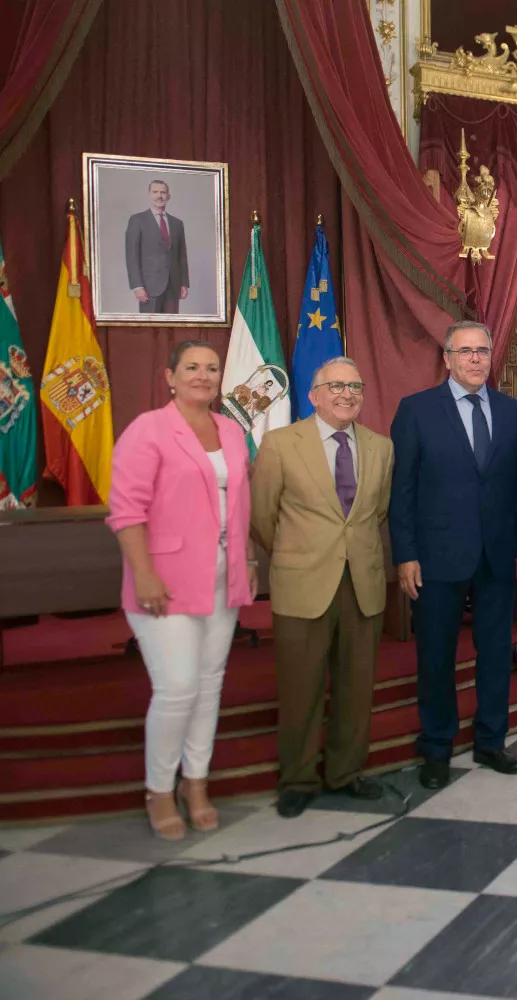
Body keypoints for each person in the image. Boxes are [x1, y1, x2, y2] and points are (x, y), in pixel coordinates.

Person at [107, 341, 254, 839]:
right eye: (192, 367)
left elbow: (240, 506)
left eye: (212, 368)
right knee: (177, 689)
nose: (204, 375)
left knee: (210, 685)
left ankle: (196, 783)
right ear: (169, 376)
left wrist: (247, 560)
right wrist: (144, 573)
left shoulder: (232, 431)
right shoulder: (147, 429)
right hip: (164, 583)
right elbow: (126, 511)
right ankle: (159, 791)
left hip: (222, 579)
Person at [390, 321, 517, 790]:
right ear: (447, 359)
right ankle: (436, 747)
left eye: (482, 351)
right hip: (436, 555)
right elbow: (403, 490)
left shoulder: (514, 412)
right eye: (465, 352)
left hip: (497, 554)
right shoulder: (416, 410)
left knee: (495, 652)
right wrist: (405, 554)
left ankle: (491, 740)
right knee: (436, 655)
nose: (475, 359)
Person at [251, 357, 393, 818]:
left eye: (355, 385)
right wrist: (300, 554)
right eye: (335, 386)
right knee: (301, 687)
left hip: (362, 582)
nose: (347, 393)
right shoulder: (279, 444)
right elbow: (261, 518)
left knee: (357, 686)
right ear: (313, 395)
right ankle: (298, 778)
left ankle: (346, 772)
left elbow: (378, 514)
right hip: (302, 583)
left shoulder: (381, 447)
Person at [124, 179, 189, 314]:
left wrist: (184, 283)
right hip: (149, 287)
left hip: (173, 286)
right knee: (150, 331)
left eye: (163, 192)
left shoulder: (177, 224)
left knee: (172, 330)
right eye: (155, 192)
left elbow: (181, 256)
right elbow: (132, 256)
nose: (159, 196)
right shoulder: (137, 220)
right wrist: (137, 286)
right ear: (149, 195)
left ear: (168, 197)